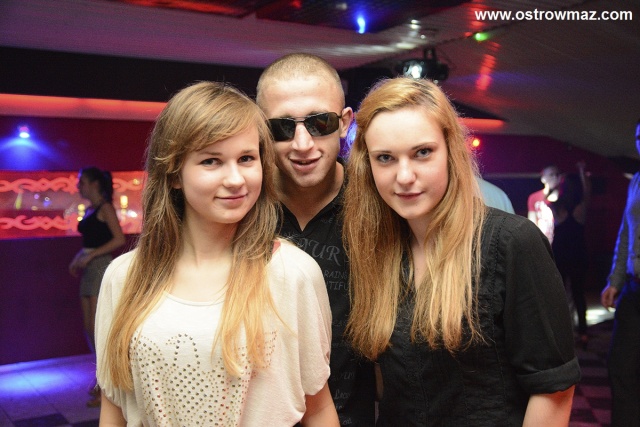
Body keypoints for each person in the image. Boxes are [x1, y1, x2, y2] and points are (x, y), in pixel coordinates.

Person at [95, 81, 338, 426]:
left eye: (246, 159)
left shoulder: (292, 272)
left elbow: (318, 407)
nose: (236, 179)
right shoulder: (124, 277)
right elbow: (113, 407)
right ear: (174, 174)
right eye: (212, 161)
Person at [343, 77, 580, 425]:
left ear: (451, 151)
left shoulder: (511, 242)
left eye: (422, 152)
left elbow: (554, 390)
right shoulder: (377, 250)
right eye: (386, 158)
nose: (404, 176)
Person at [256, 54, 376, 426]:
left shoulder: (379, 203)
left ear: (345, 122)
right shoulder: (242, 208)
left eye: (319, 122)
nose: (302, 143)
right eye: (282, 127)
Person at [69, 166, 125, 407]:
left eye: (82, 182)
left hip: (101, 267)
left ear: (94, 184)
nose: (78, 186)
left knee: (98, 327)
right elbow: (90, 243)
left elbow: (119, 238)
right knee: (89, 327)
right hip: (90, 267)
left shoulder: (105, 208)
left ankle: (107, 385)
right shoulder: (91, 209)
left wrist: (90, 256)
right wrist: (79, 257)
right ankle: (101, 378)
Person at [601, 119, 640, 427]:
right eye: (639, 137)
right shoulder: (636, 180)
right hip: (634, 287)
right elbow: (626, 233)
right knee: (621, 366)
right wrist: (615, 280)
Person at [551, 163, 591, 349]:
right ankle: (583, 332)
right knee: (578, 293)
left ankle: (560, 331)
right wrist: (583, 172)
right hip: (578, 253)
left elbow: (549, 196)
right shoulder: (580, 208)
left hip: (560, 253)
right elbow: (587, 192)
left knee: (559, 293)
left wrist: (557, 183)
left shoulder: (557, 207)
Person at [528, 164, 561, 242]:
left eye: (557, 174)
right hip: (542, 241)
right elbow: (532, 222)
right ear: (543, 178)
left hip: (559, 240)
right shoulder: (534, 197)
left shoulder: (564, 196)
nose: (555, 177)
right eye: (551, 175)